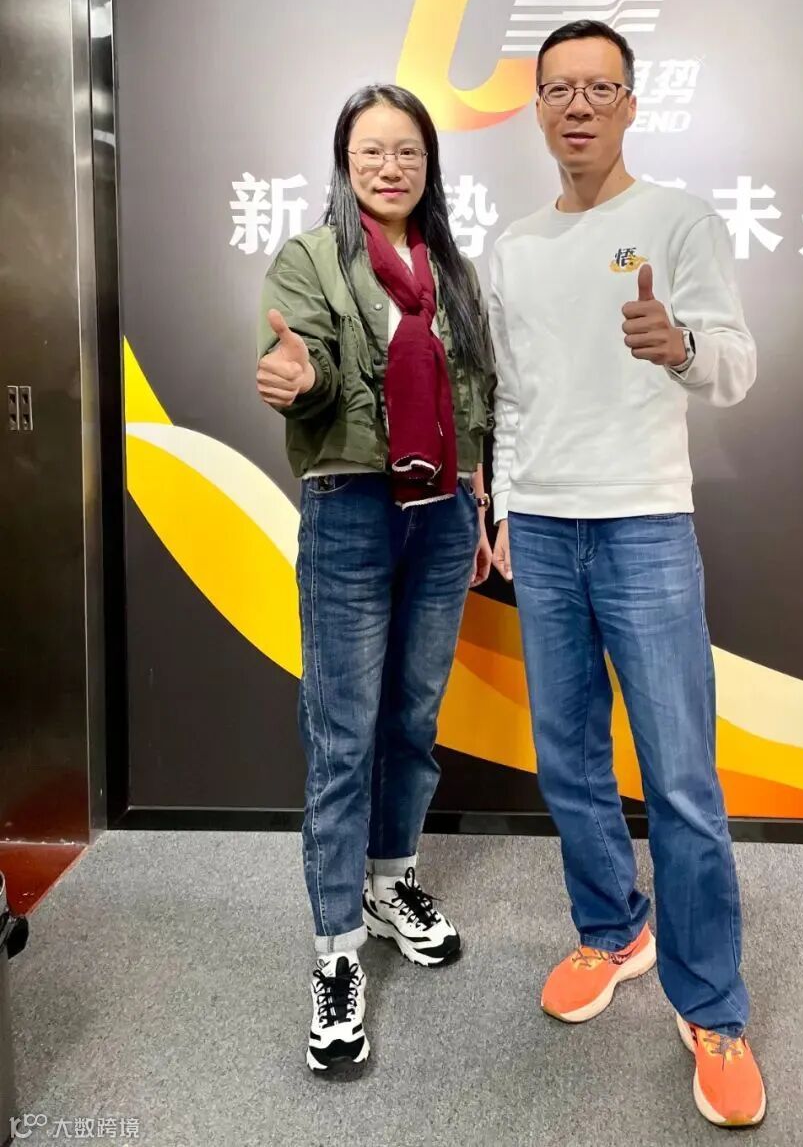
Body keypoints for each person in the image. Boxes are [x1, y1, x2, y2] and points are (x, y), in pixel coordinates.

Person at [488, 22, 765, 1128]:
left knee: (682, 778)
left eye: (600, 87)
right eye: (560, 88)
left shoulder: (680, 220)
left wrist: (679, 345)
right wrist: (504, 506)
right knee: (569, 759)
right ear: (537, 107)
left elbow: (736, 366)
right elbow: (511, 396)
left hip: (645, 524)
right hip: (545, 529)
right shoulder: (513, 246)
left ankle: (714, 1007)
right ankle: (613, 929)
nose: (579, 105)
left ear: (632, 103)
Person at [256, 84, 495, 1074]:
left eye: (408, 151)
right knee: (343, 733)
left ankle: (390, 882)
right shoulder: (311, 257)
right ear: (345, 161)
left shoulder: (453, 270)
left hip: (441, 515)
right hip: (351, 507)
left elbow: (473, 393)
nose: (390, 166)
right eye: (371, 150)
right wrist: (300, 379)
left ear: (429, 165)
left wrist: (477, 496)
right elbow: (306, 361)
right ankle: (336, 953)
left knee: (413, 718)